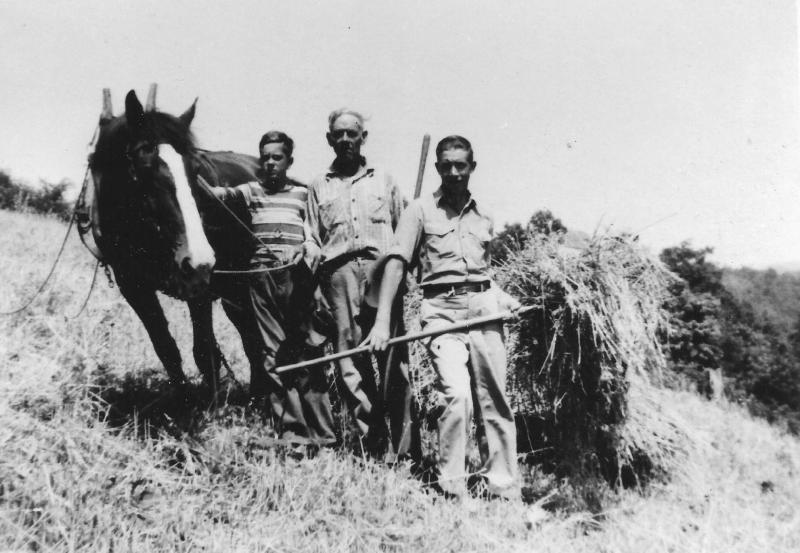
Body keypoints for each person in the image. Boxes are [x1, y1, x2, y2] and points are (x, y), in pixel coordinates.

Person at [363, 135, 521, 499]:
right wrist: (382, 321)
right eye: (446, 165)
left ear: (472, 168)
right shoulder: (419, 210)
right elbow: (397, 263)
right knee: (456, 395)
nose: (453, 172)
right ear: (437, 168)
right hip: (441, 313)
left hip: (485, 312)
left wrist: (502, 298)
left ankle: (502, 485)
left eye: (460, 165)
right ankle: (452, 486)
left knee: (494, 400)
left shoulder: (485, 215)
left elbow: (485, 272)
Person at [208, 130, 336, 450]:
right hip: (260, 278)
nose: (269, 162)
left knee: (309, 352)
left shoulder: (304, 194)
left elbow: (316, 232)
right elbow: (217, 194)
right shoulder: (250, 190)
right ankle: (293, 432)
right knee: (272, 355)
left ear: (289, 160)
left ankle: (324, 434)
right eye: (265, 156)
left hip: (297, 278)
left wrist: (306, 246)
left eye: (276, 157)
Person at [306, 108, 420, 461]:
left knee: (392, 359)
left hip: (380, 272)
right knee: (350, 364)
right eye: (337, 134)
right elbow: (312, 237)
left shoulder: (384, 180)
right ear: (329, 139)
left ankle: (405, 451)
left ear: (362, 138)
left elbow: (405, 233)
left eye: (351, 134)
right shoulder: (318, 186)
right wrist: (312, 270)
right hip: (337, 276)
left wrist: (406, 276)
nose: (344, 140)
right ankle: (372, 444)